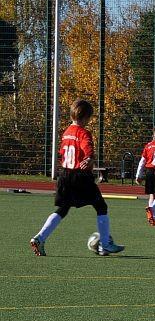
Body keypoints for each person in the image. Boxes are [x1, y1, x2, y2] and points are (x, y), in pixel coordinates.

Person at [29, 99, 124, 256]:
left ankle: (40, 237)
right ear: (86, 117)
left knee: (63, 209)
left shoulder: (66, 132)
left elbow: (62, 153)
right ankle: (106, 244)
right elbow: (88, 149)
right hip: (80, 176)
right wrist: (90, 158)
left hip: (65, 175)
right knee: (101, 206)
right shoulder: (83, 133)